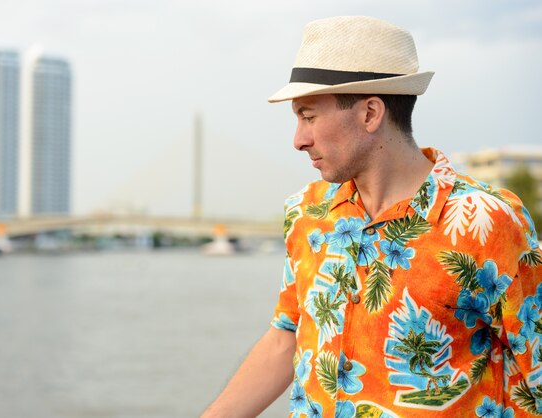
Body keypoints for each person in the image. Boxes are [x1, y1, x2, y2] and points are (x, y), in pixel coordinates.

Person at [202, 16, 542, 417]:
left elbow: (533, 374)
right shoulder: (307, 214)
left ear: (370, 114)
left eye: (308, 116)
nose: (298, 140)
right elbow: (286, 339)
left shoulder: (488, 221)